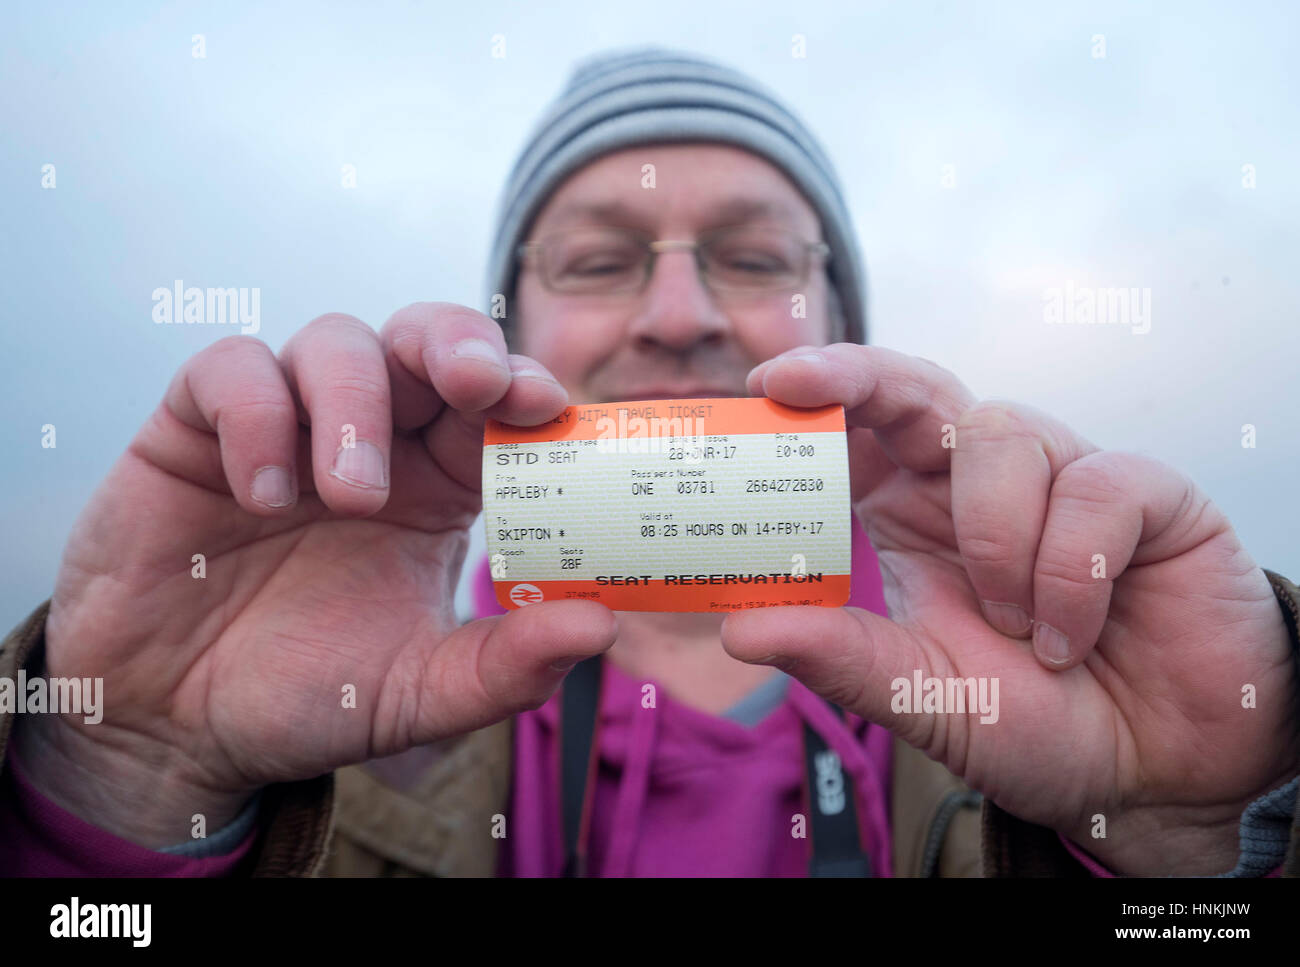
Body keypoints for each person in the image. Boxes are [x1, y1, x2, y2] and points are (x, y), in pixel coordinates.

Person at [1, 46, 1297, 878]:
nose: (680, 314)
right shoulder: (318, 745)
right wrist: (124, 783)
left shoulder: (1037, 706)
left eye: (752, 255)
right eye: (600, 260)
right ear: (507, 327)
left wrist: (1184, 840)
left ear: (843, 323)